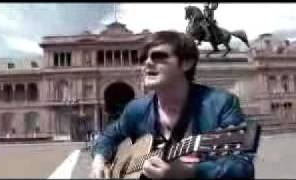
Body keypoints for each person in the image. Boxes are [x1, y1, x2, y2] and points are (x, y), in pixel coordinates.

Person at [90, 30, 255, 179]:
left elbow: (242, 168)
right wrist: (99, 159)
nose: (147, 63)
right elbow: (109, 136)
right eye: (143, 58)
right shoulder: (137, 109)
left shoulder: (221, 104)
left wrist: (190, 172)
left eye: (159, 56)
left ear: (186, 63)